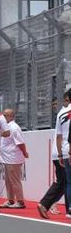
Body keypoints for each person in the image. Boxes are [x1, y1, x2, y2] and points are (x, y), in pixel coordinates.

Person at [38, 89, 71, 219]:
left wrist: (60, 154)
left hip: (60, 151)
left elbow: (58, 136)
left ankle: (46, 204)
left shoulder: (61, 113)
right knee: (65, 182)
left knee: (64, 182)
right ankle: (48, 204)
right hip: (66, 150)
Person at [0, 108, 28, 209]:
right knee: (8, 180)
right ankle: (10, 200)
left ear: (11, 116)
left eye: (5, 115)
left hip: (13, 158)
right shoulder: (6, 127)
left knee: (15, 180)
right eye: (3, 115)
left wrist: (24, 152)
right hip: (6, 158)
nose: (3, 117)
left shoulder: (14, 128)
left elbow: (20, 143)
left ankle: (20, 201)